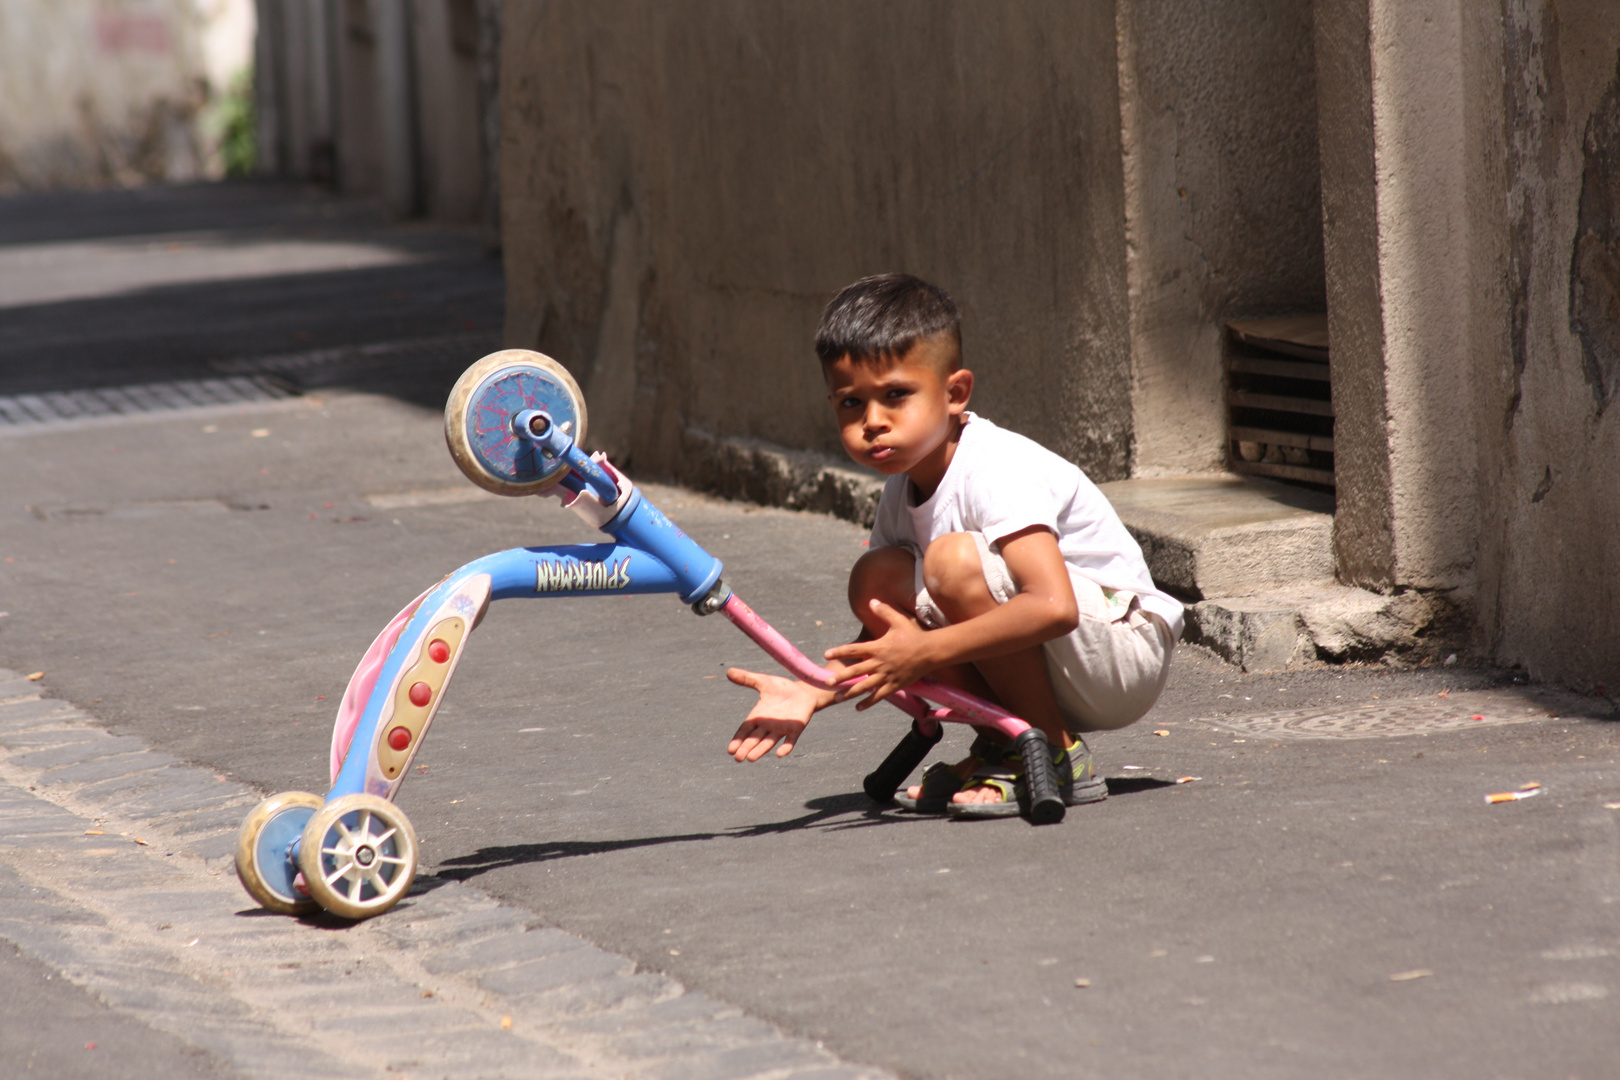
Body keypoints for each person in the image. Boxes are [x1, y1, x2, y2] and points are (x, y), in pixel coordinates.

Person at [725, 273, 1182, 817]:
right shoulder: (903, 486)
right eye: (851, 403)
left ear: (955, 393)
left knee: (952, 562)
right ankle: (1005, 740)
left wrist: (927, 651)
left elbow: (1053, 606)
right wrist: (814, 690)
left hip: (1120, 654)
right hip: (1062, 659)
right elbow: (885, 629)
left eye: (896, 395)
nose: (873, 422)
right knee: (876, 580)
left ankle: (1055, 753)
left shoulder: (995, 466)